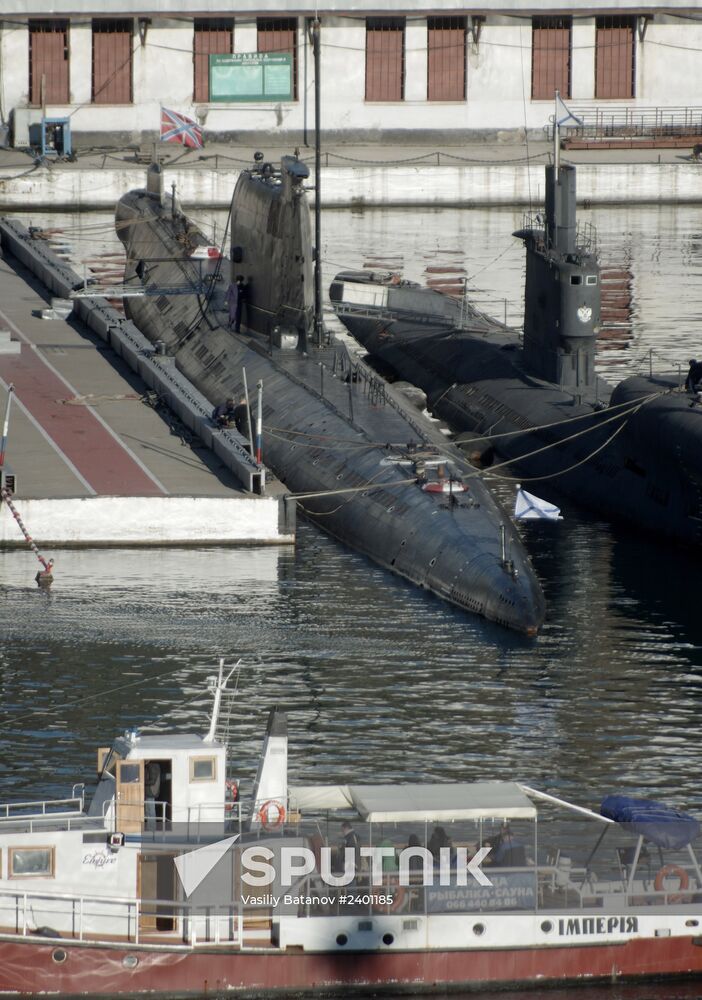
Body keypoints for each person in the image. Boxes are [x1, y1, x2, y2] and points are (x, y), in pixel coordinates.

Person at [144, 761, 161, 829]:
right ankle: (150, 827)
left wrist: (142, 781)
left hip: (150, 792)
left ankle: (152, 827)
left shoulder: (152, 766)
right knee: (148, 811)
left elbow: (152, 781)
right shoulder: (151, 766)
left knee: (150, 811)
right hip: (149, 792)